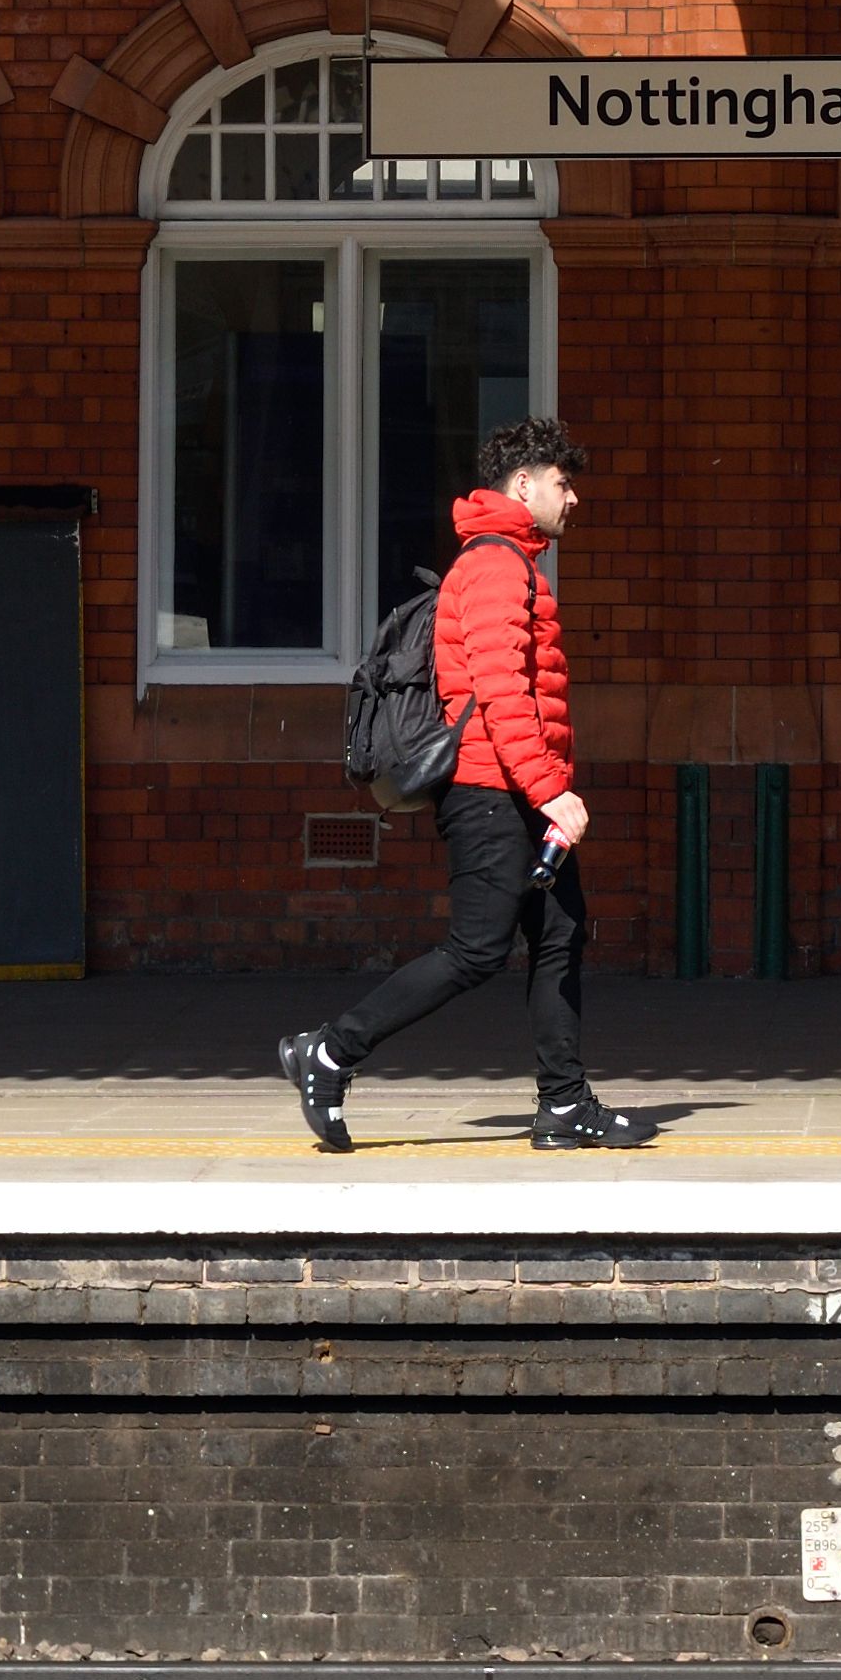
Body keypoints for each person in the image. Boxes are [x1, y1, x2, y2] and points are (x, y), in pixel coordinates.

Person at [279, 417, 658, 1153]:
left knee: (560, 935)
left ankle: (564, 1105)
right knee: (476, 950)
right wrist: (551, 792)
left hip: (513, 788)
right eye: (563, 483)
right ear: (524, 484)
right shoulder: (494, 565)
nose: (572, 498)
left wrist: (542, 792)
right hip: (492, 792)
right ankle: (329, 1051)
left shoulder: (512, 561)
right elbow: (500, 693)